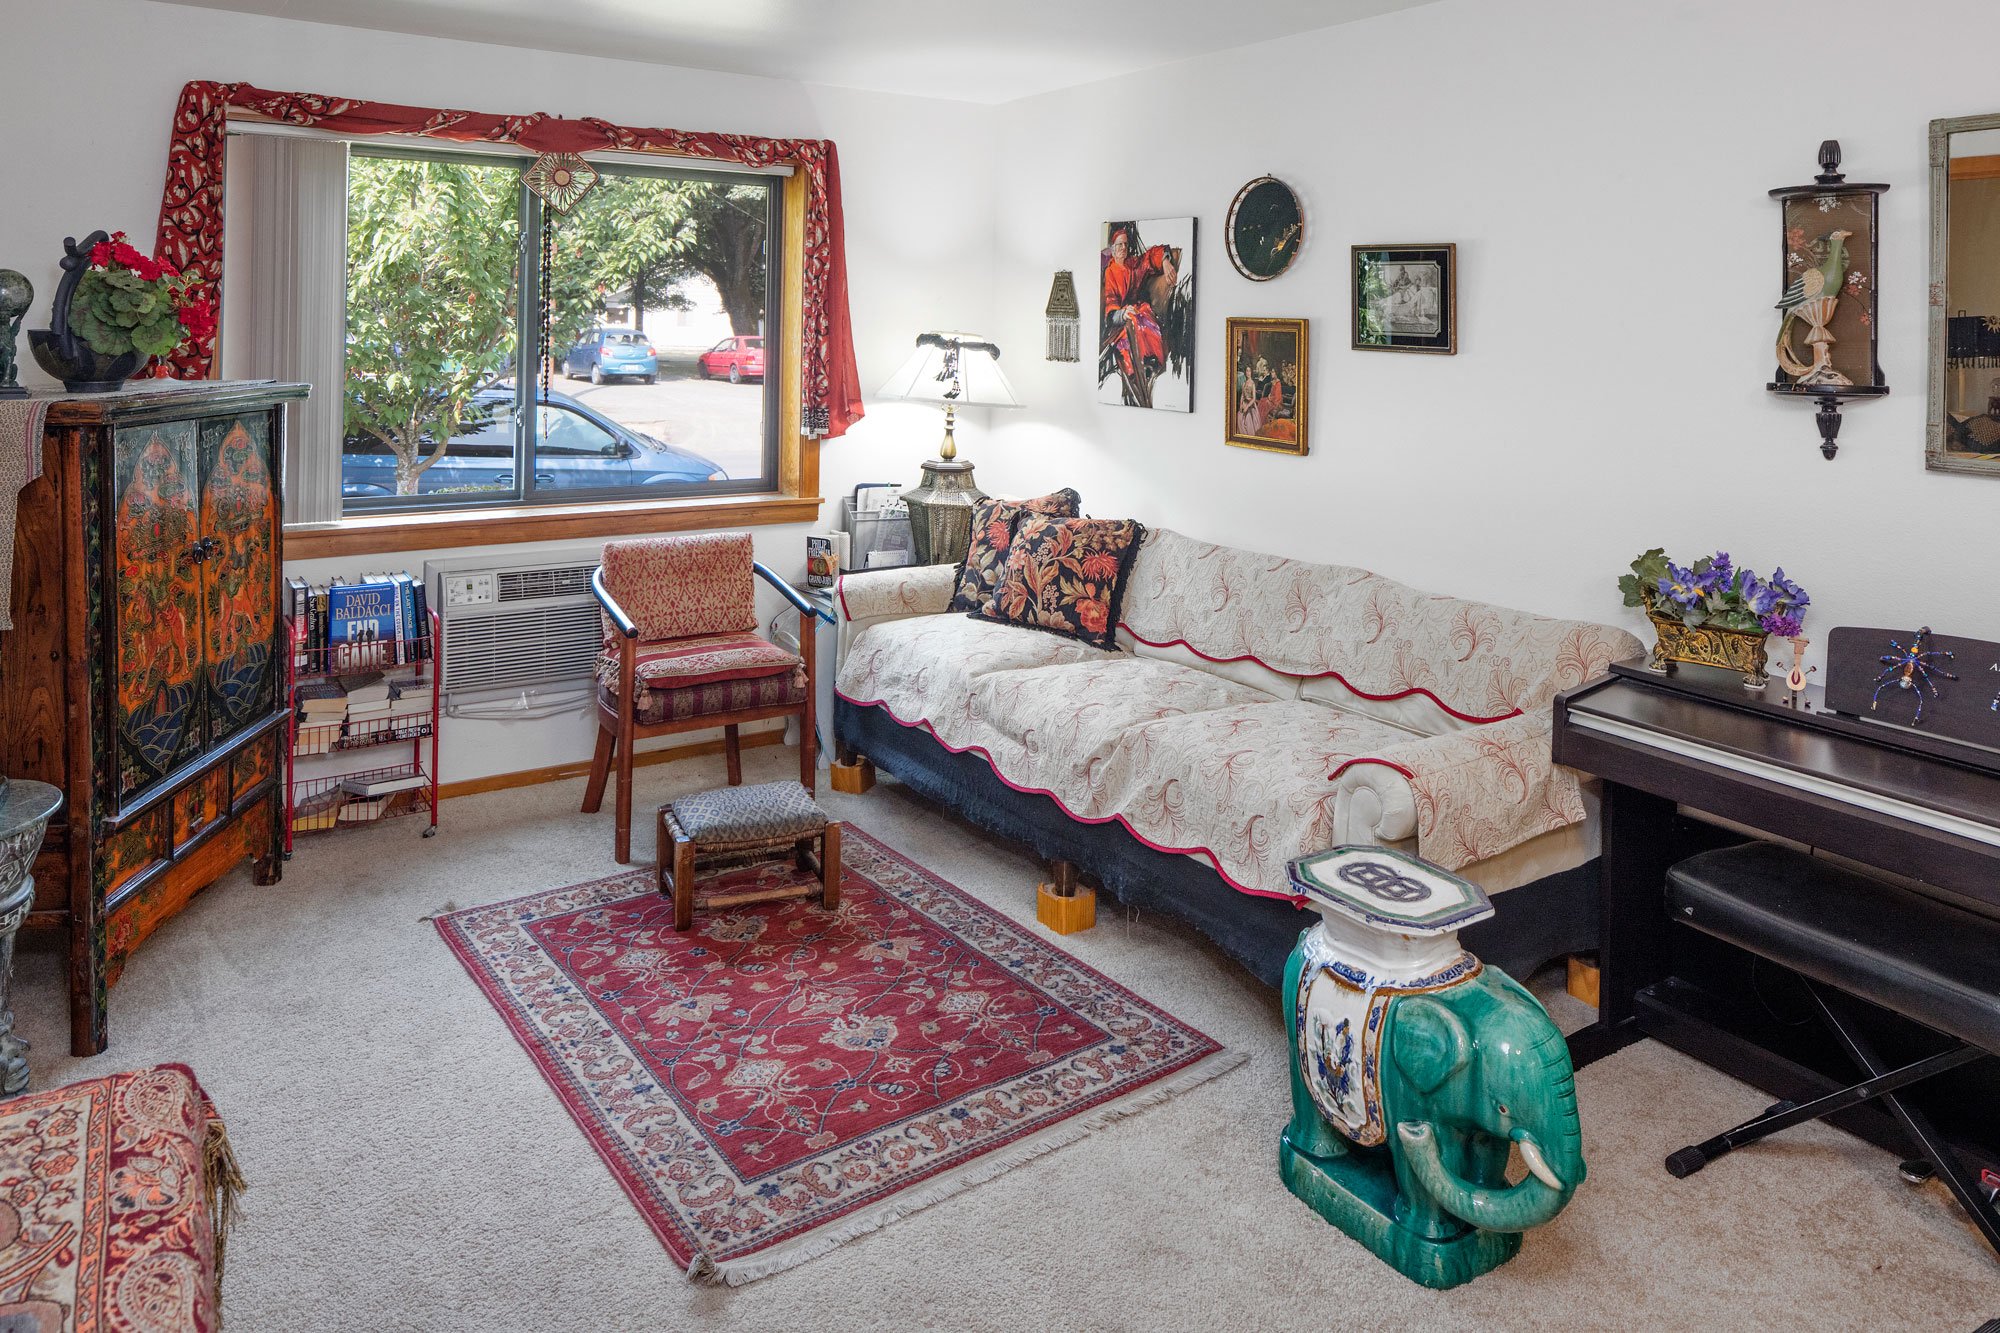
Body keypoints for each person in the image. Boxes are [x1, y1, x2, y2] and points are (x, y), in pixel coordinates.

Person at [1101, 224, 1170, 389]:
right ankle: (1136, 371)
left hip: (1138, 309)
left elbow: (1151, 256)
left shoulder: (1134, 264)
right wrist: (1122, 313)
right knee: (1130, 328)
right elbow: (1110, 301)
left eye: (1125, 244)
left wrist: (1165, 260)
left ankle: (1151, 360)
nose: (1123, 247)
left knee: (1145, 316)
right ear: (1112, 248)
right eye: (1119, 244)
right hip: (1120, 319)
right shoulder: (1110, 272)